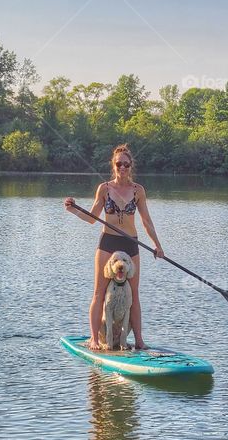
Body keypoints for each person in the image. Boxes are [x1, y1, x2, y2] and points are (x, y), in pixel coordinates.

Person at [64, 144, 164, 350]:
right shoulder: (104, 188)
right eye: (119, 164)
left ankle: (139, 340)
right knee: (99, 292)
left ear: (131, 166)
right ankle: (94, 339)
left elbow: (146, 221)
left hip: (131, 243)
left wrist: (157, 245)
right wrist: (73, 209)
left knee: (134, 295)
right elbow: (92, 218)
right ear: (113, 165)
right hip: (108, 243)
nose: (123, 167)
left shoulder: (138, 190)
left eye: (126, 164)